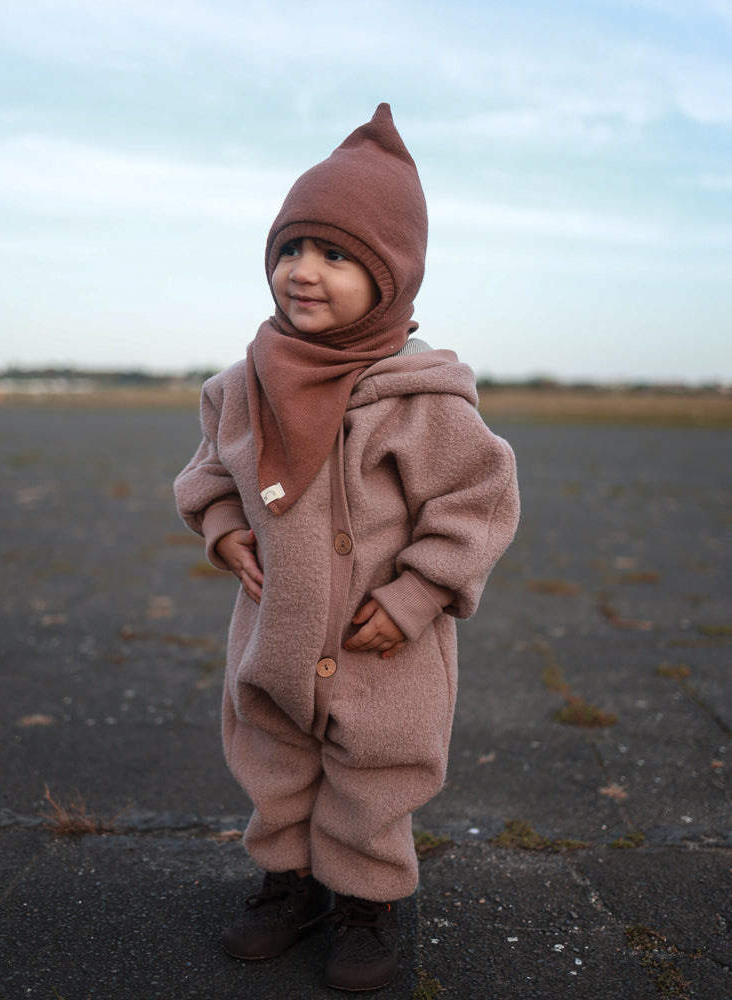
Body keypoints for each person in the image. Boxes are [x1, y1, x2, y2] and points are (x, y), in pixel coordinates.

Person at [174, 103, 520, 992]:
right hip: (277, 631)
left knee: (377, 772)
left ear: (393, 276)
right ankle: (288, 884)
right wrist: (223, 528)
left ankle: (365, 899)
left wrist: (414, 596)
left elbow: (477, 503)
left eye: (335, 255)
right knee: (275, 756)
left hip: (382, 642)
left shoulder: (421, 397)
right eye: (290, 249)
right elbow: (209, 474)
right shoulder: (242, 387)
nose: (303, 271)